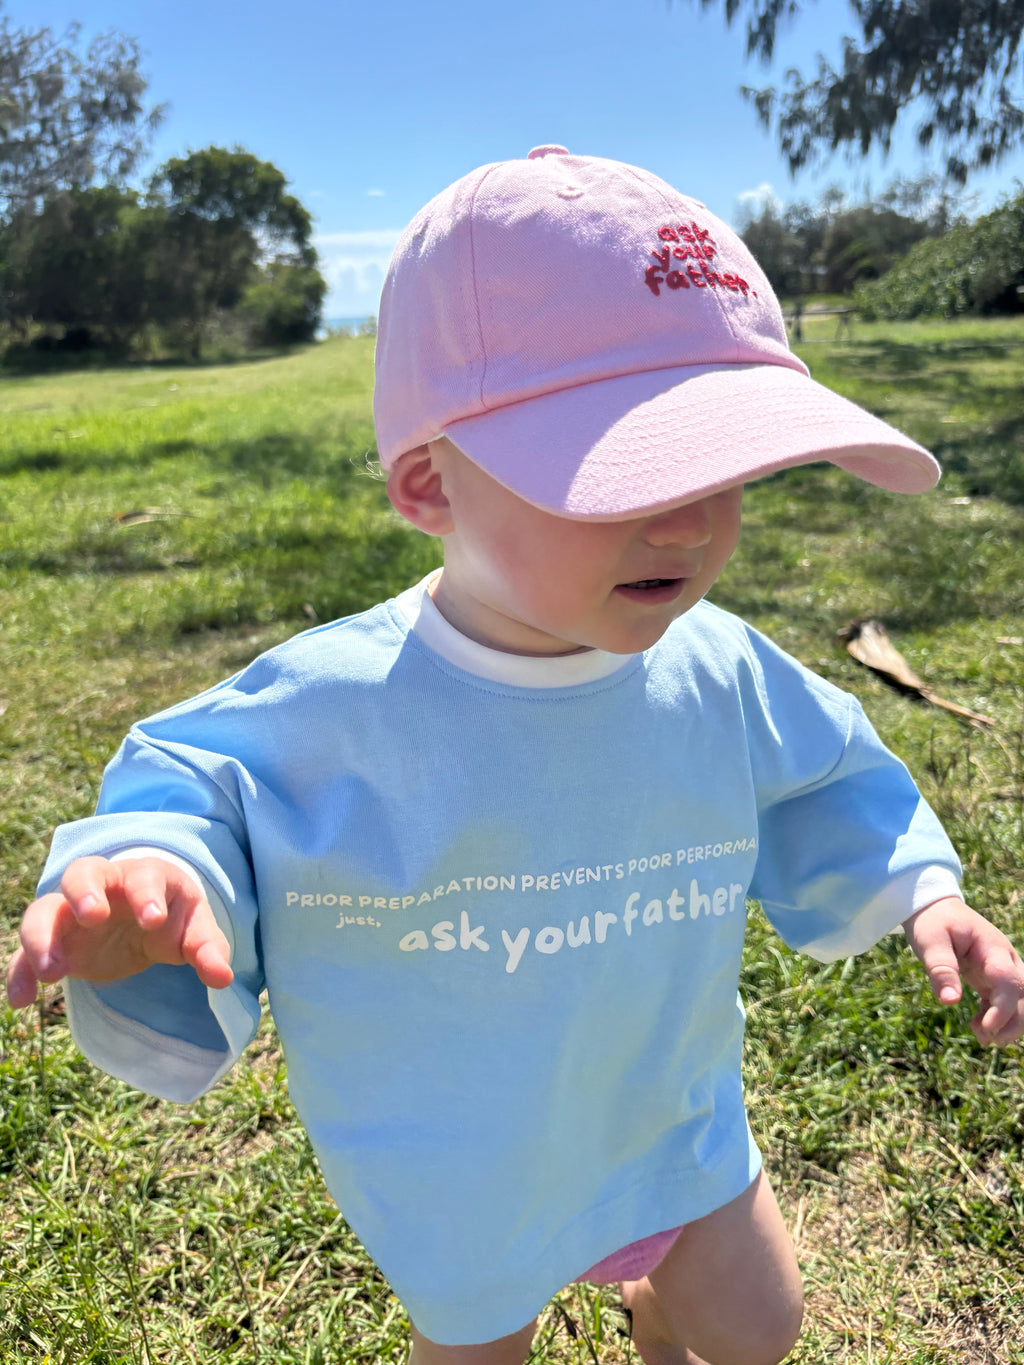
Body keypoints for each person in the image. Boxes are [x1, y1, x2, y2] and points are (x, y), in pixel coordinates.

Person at [7, 147, 1024, 1365]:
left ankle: (652, 1308)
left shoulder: (721, 668)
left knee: (758, 1330)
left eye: (726, 468)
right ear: (432, 482)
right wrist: (155, 874)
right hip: (458, 1162)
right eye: (624, 473)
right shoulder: (330, 707)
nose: (690, 520)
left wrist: (922, 888)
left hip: (669, 1115)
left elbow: (824, 771)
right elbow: (199, 787)